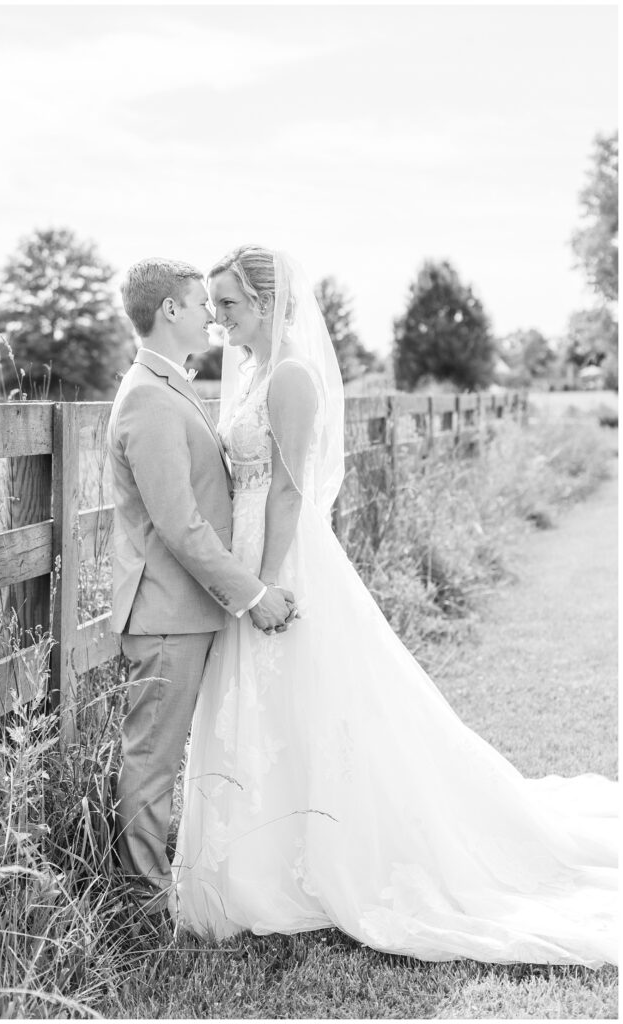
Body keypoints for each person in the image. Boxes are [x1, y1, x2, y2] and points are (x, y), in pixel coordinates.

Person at [171, 245, 617, 966]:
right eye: (214, 305)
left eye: (227, 304)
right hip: (245, 552)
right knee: (261, 703)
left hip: (279, 557)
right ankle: (262, 857)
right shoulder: (249, 371)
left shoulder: (287, 375)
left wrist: (259, 585)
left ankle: (318, 859)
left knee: (303, 699)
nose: (217, 317)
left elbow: (287, 490)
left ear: (265, 302)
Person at [107, 257, 297, 919]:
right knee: (152, 758)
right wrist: (250, 591)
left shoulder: (171, 385)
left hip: (187, 607)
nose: (210, 316)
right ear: (168, 312)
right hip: (165, 609)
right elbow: (179, 524)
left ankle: (171, 882)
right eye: (198, 304)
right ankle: (143, 904)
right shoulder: (147, 397)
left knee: (165, 754)